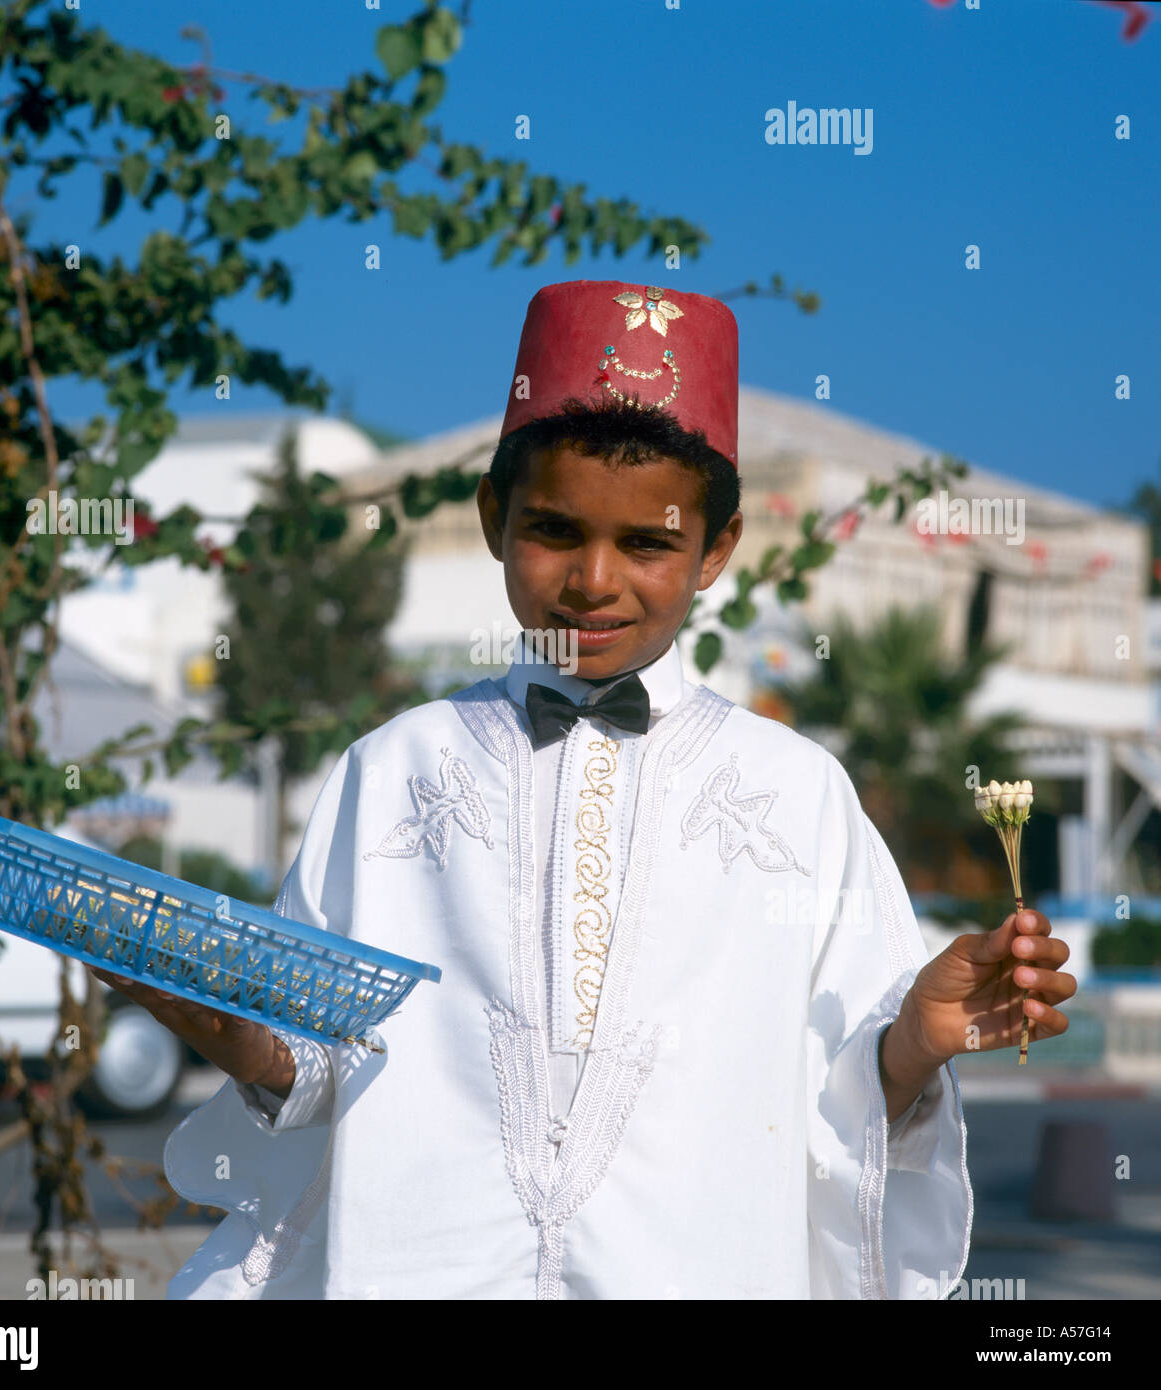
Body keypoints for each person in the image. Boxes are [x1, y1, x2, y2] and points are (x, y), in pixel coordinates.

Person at [91, 279, 1077, 1299]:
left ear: (715, 551)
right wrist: (226, 1026)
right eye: (554, 531)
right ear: (492, 518)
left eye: (647, 542)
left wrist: (909, 1044)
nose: (594, 580)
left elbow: (839, 1112)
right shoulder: (392, 773)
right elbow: (324, 1069)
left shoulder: (796, 800)